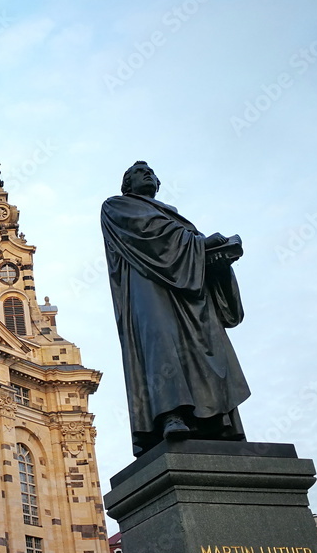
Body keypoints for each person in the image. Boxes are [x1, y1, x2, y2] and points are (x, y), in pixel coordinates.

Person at [101, 162, 250, 456]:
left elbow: (186, 246)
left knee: (207, 347)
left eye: (151, 172)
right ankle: (170, 415)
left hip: (189, 296)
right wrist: (200, 244)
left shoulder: (174, 216)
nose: (147, 174)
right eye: (138, 172)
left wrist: (216, 258)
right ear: (127, 184)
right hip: (150, 288)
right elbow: (148, 235)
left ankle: (218, 421)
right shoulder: (117, 206)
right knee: (161, 344)